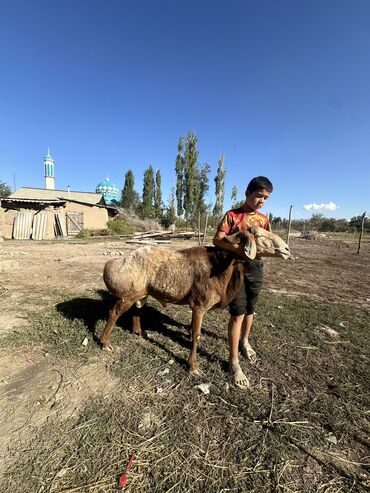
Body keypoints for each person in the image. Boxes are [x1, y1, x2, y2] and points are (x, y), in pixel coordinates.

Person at [213, 176, 273, 389]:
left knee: (250, 310)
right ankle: (233, 361)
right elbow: (217, 240)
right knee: (238, 313)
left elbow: (266, 243)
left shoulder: (264, 220)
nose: (261, 201)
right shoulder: (232, 216)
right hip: (234, 269)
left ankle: (245, 341)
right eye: (258, 196)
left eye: (265, 198)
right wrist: (238, 249)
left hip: (256, 269)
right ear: (247, 193)